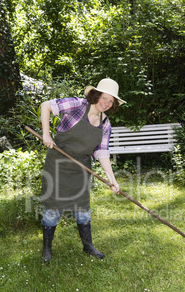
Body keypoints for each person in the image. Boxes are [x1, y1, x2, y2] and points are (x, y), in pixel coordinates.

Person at [40, 78, 126, 263]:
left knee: (83, 211)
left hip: (81, 168)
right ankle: (47, 248)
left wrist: (112, 179)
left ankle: (88, 246)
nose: (106, 103)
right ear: (96, 95)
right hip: (58, 164)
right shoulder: (77, 105)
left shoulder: (105, 124)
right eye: (104, 98)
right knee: (52, 211)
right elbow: (45, 105)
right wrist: (46, 134)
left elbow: (102, 153)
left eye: (111, 101)